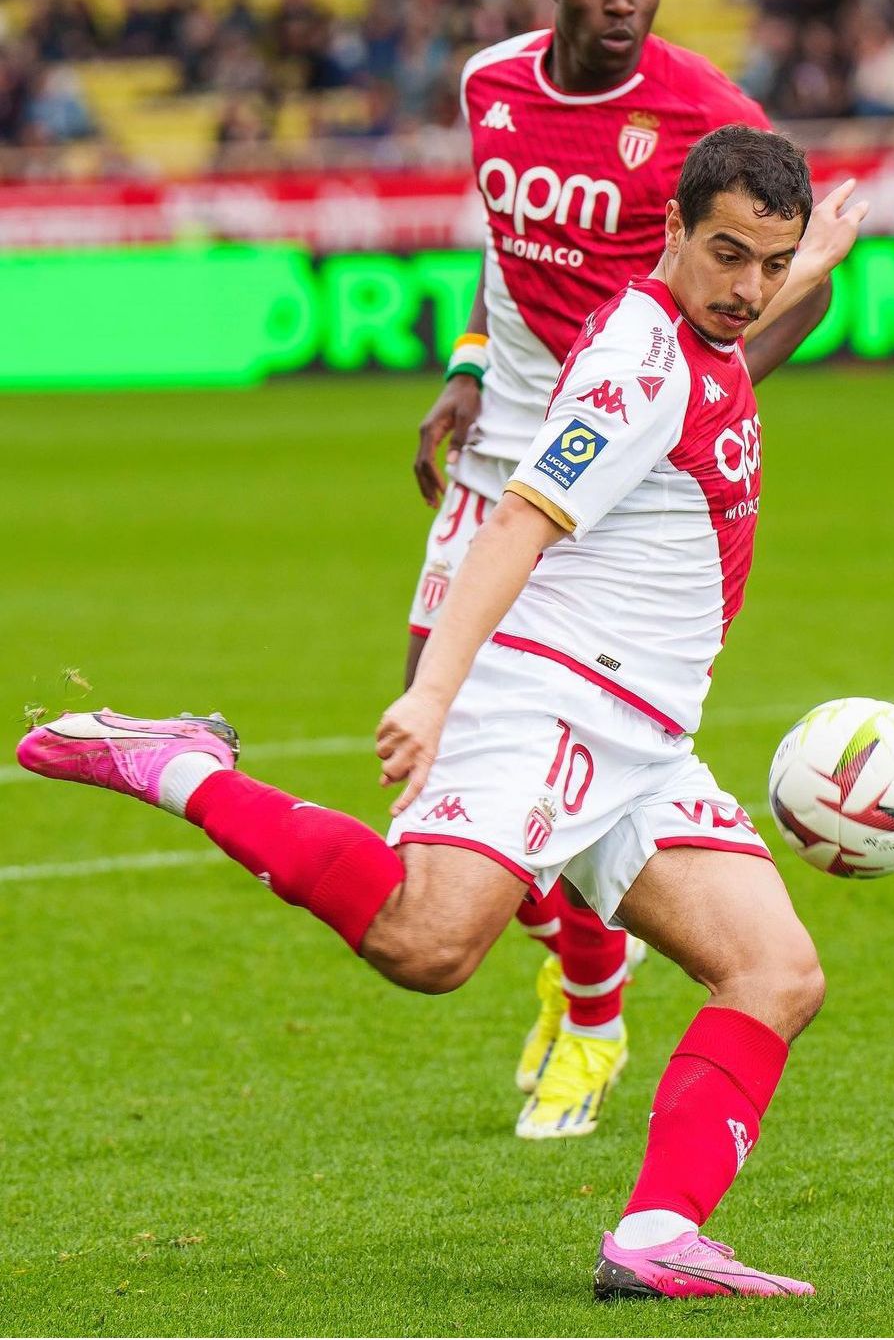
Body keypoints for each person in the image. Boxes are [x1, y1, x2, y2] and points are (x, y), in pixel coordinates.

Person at [20, 124, 846, 1300]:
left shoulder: (704, 331)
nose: (749, 289)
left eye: (769, 264)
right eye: (728, 257)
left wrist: (816, 257)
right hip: (554, 695)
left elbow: (763, 314)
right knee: (427, 943)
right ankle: (179, 766)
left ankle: (657, 1237)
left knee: (776, 971)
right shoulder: (640, 364)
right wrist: (436, 687)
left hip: (644, 737)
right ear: (672, 229)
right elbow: (517, 519)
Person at [407, 0, 864, 1139]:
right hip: (504, 444)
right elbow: (503, 246)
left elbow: (798, 286)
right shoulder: (487, 85)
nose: (621, 3)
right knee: (445, 741)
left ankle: (595, 1002)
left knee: (531, 746)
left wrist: (671, 430)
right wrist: (462, 361)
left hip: (616, 453)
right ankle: (590, 972)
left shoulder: (710, 116)